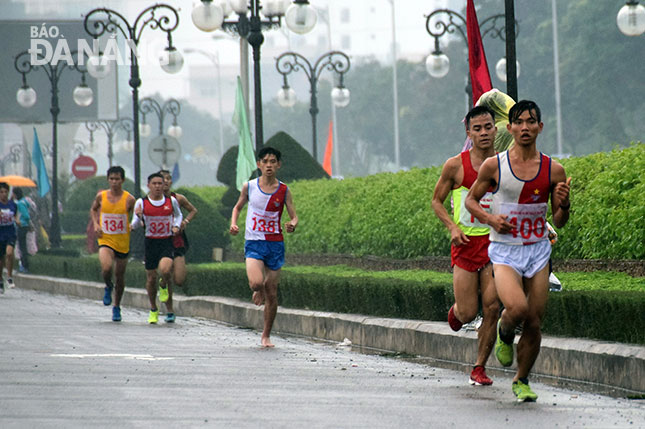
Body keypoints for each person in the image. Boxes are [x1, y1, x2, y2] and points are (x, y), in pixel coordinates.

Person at [465, 100, 571, 402]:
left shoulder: (554, 170)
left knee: (535, 321)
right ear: (509, 128)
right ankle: (505, 331)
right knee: (518, 310)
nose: (525, 127)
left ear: (540, 127)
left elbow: (560, 221)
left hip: (537, 251)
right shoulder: (494, 165)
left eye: (531, 121)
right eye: (519, 122)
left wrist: (564, 202)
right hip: (505, 251)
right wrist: (490, 219)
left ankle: (522, 380)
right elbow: (471, 201)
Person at [431, 105, 500, 386]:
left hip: (496, 245)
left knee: (493, 307)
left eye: (488, 127)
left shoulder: (505, 163)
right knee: (469, 312)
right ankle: (456, 312)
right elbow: (436, 200)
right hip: (465, 245)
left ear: (496, 129)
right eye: (477, 128)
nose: (483, 133)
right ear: (468, 132)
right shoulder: (455, 165)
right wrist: (452, 226)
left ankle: (479, 367)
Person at [229, 147, 298, 348]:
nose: (269, 165)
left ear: (278, 165)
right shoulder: (249, 187)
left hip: (275, 243)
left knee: (272, 292)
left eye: (273, 161)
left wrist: (293, 223)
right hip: (254, 242)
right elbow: (237, 207)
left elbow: (293, 214)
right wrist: (234, 223)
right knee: (257, 284)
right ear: (259, 164)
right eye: (265, 161)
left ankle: (266, 335)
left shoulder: (284, 190)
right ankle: (257, 288)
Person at [130, 172, 182, 324]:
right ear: (149, 185)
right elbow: (134, 224)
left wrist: (176, 226)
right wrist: (137, 218)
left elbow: (178, 215)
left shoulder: (170, 201)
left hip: (166, 241)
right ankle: (153, 308)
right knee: (151, 278)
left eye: (161, 183)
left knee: (165, 270)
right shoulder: (141, 202)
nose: (158, 186)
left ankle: (164, 284)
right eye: (155, 184)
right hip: (150, 242)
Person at [90, 166, 136, 322]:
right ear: (108, 180)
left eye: (117, 179)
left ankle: (117, 306)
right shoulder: (101, 196)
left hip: (122, 242)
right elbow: (94, 209)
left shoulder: (129, 199)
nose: (114, 182)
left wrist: (133, 224)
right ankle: (108, 286)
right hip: (105, 239)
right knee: (107, 267)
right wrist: (96, 224)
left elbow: (137, 215)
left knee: (120, 276)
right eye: (111, 179)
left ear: (122, 180)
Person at [158, 169, 197, 305]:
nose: (166, 182)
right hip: (160, 241)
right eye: (163, 179)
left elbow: (193, 210)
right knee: (166, 271)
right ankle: (169, 308)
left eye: (168, 179)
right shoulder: (152, 200)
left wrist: (184, 222)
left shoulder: (178, 199)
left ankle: (163, 281)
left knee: (179, 280)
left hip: (177, 240)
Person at [0, 182, 18, 293]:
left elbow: (16, 215)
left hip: (10, 233)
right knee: (1, 261)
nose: (4, 194)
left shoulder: (13, 205)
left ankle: (9, 277)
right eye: (1, 192)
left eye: (5, 192)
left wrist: (17, 220)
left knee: (9, 253)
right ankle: (0, 280)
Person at [13, 187, 31, 274]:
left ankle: (24, 266)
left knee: (22, 247)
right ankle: (24, 266)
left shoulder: (20, 203)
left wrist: (20, 221)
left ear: (16, 194)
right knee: (23, 247)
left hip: (21, 227)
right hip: (24, 227)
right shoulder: (24, 201)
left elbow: (26, 216)